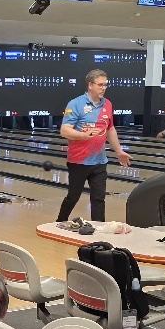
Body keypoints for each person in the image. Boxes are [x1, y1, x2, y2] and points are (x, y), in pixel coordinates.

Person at [57, 69, 131, 223]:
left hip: (99, 161)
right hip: (79, 161)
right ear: (90, 85)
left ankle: (99, 229)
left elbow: (110, 129)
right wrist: (84, 136)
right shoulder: (75, 104)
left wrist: (119, 151)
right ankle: (59, 221)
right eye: (100, 85)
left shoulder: (107, 104)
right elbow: (64, 131)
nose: (104, 88)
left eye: (105, 85)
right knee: (73, 196)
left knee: (98, 198)